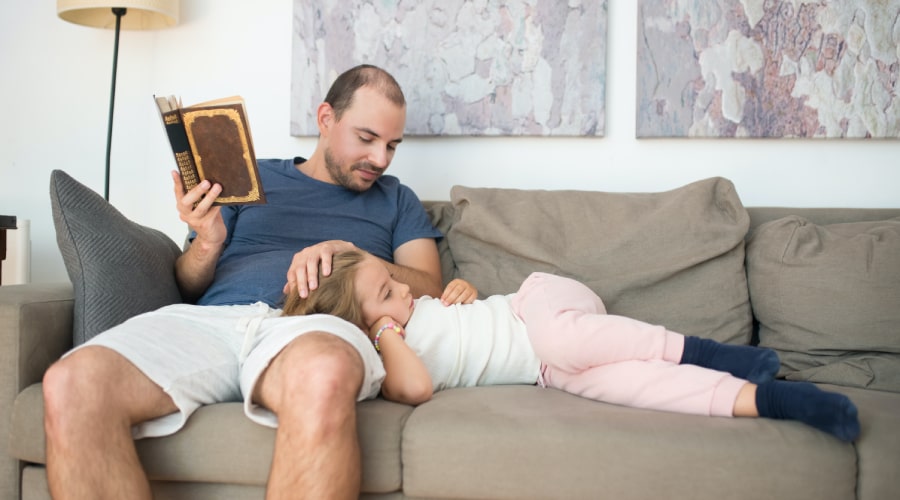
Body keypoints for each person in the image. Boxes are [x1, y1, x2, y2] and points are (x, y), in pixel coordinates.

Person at [41, 65, 444, 500]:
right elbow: (188, 284)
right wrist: (208, 244)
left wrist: (354, 252)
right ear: (326, 118)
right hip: (211, 321)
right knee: (72, 382)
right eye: (367, 139)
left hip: (308, 327)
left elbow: (430, 285)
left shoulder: (396, 199)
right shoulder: (251, 176)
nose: (380, 159)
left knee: (324, 374)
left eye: (392, 146)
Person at [282, 250, 861, 443]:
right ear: (361, 326)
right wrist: (383, 332)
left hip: (539, 307)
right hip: (545, 371)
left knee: (563, 339)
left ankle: (717, 352)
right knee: (634, 388)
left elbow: (467, 313)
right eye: (388, 292)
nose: (405, 288)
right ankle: (775, 402)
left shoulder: (414, 310)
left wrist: (463, 291)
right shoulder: (385, 354)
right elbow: (417, 387)